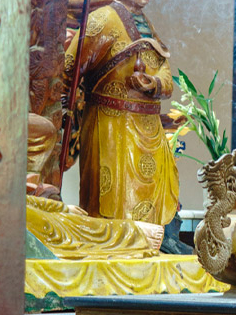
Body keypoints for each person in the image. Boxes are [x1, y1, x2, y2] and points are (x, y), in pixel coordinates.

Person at [63, 0, 179, 226]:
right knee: (112, 205)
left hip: (149, 128)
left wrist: (152, 82)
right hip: (111, 128)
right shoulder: (102, 19)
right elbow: (70, 67)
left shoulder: (147, 24)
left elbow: (165, 72)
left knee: (151, 211)